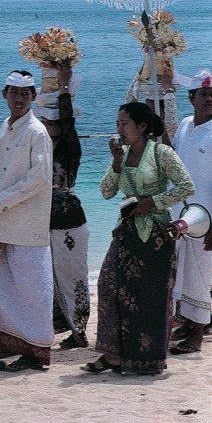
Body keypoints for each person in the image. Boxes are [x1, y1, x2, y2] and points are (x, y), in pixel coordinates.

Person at [83, 102, 194, 375]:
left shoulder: (161, 153)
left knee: (149, 297)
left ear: (142, 127)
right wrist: (117, 164)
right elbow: (106, 192)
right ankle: (113, 354)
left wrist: (153, 202)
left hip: (155, 235)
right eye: (118, 124)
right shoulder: (123, 155)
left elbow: (186, 186)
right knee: (109, 287)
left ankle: (146, 359)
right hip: (126, 233)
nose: (119, 129)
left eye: (124, 124)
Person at [0, 71, 54, 372]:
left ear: (33, 97)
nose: (19, 98)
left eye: (26, 93)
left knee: (30, 289)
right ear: (5, 94)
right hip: (0, 224)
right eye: (14, 93)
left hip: (26, 225)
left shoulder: (37, 132)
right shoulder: (7, 125)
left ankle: (37, 350)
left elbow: (39, 179)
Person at [39, 65, 90, 349]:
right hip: (41, 222)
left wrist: (64, 90)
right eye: (45, 122)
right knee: (47, 280)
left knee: (73, 278)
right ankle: (56, 329)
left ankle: (79, 331)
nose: (50, 127)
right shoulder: (37, 149)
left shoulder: (71, 150)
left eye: (54, 122)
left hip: (69, 219)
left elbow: (70, 125)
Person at [169, 70, 212, 354]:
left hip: (204, 217)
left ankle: (196, 336)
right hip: (178, 213)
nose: (209, 99)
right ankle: (186, 323)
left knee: (199, 275)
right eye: (204, 95)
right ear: (191, 97)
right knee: (181, 272)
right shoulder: (184, 125)